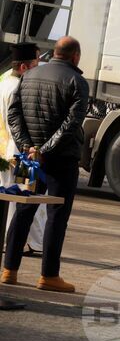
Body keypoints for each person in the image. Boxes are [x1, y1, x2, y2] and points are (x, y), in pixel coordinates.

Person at [2, 36, 88, 293]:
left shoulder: (28, 76)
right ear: (75, 57)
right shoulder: (77, 81)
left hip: (27, 156)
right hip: (61, 159)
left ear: (55, 53)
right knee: (57, 216)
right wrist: (45, 149)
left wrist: (28, 145)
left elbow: (13, 114)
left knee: (22, 210)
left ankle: (9, 271)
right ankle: (49, 275)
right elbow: (72, 124)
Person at [0, 43, 46, 256]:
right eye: (37, 61)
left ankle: (12, 241)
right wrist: (29, 154)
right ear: (25, 67)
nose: (40, 64)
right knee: (25, 199)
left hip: (5, 152)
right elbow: (16, 125)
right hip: (19, 153)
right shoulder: (17, 89)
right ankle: (30, 244)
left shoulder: (3, 82)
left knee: (9, 200)